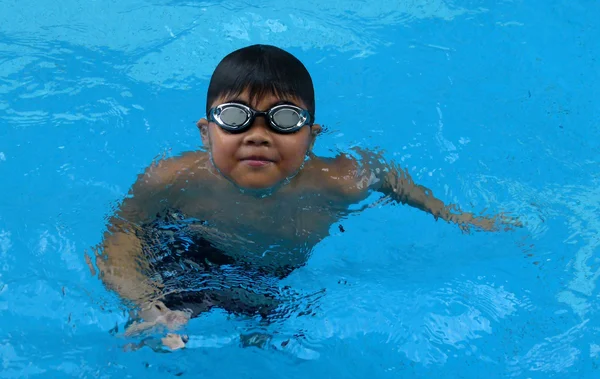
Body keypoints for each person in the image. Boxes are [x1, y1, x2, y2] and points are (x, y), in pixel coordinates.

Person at [92, 44, 518, 350]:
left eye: (283, 119)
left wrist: (454, 216)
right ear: (206, 133)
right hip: (190, 252)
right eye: (236, 118)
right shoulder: (171, 178)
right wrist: (143, 298)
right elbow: (121, 234)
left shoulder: (340, 181)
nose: (257, 135)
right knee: (162, 324)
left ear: (311, 137)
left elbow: (388, 176)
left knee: (266, 332)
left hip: (273, 275)